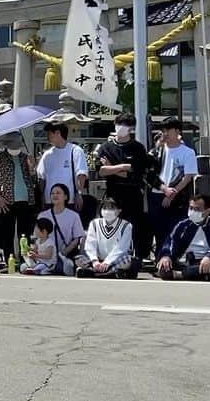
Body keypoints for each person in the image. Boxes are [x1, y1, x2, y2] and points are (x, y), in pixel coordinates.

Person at [97, 113, 153, 259]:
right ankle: (110, 255)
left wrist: (112, 168)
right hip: (113, 194)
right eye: (119, 124)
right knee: (111, 224)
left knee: (134, 227)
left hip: (133, 195)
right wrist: (123, 167)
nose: (121, 128)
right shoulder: (105, 147)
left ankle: (135, 257)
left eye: (126, 125)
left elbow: (137, 174)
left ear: (132, 128)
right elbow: (101, 171)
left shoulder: (138, 148)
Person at [148, 117, 198, 256]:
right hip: (157, 194)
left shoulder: (187, 152)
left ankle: (172, 258)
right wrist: (164, 189)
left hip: (178, 196)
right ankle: (160, 258)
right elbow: (150, 174)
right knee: (159, 229)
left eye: (167, 130)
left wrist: (172, 193)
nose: (164, 134)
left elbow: (188, 176)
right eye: (162, 131)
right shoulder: (156, 151)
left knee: (175, 229)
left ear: (177, 131)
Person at [0, 132, 37, 265]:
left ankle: (24, 260)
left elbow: (33, 181)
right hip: (6, 200)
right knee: (7, 233)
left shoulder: (25, 157)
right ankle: (10, 261)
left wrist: (32, 169)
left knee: (24, 233)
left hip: (25, 199)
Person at [157, 195, 210, 281]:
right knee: (164, 269)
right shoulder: (182, 225)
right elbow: (170, 240)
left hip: (206, 261)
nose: (192, 212)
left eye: (197, 209)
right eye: (191, 208)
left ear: (207, 211)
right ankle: (201, 275)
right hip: (185, 262)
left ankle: (182, 275)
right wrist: (166, 255)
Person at [76, 197, 138, 278]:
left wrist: (107, 262)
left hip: (115, 261)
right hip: (97, 261)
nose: (107, 211)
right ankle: (108, 273)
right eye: (105, 208)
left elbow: (121, 248)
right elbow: (90, 244)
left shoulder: (126, 225)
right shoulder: (94, 223)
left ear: (119, 210)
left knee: (128, 260)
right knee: (78, 259)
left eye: (112, 208)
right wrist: (95, 261)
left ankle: (95, 272)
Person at [34, 183, 85, 275]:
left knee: (61, 268)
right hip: (44, 256)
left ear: (65, 196)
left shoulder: (73, 216)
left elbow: (77, 239)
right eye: (52, 193)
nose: (55, 195)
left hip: (63, 255)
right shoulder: (43, 215)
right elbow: (37, 237)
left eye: (58, 193)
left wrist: (63, 253)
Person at [36, 122, 88, 211]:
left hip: (69, 200)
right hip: (50, 201)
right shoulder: (47, 155)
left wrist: (79, 193)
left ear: (58, 133)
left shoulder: (75, 151)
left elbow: (81, 174)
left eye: (49, 133)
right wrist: (42, 195)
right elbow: (41, 177)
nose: (47, 136)